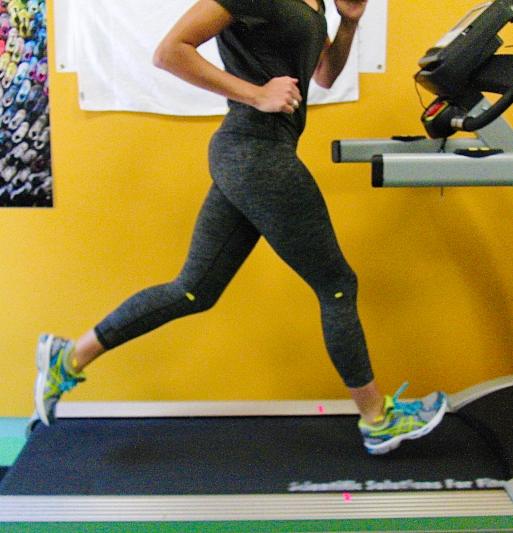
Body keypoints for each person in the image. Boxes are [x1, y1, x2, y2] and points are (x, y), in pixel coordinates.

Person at [34, 0, 447, 455]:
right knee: (336, 285)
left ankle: (69, 357)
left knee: (194, 290)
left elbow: (325, 75)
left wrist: (348, 23)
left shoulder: (313, 4)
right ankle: (377, 419)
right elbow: (170, 51)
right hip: (255, 152)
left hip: (253, 154)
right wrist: (255, 94)